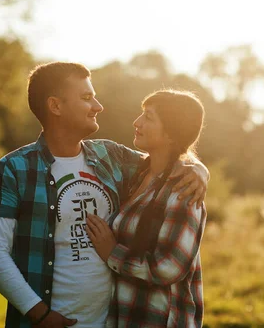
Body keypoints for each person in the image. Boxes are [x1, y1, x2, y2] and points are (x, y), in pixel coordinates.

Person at [0, 62, 209, 328]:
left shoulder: (110, 157)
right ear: (55, 106)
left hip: (112, 320)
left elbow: (166, 159)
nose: (98, 106)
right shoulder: (11, 171)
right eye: (87, 98)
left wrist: (199, 170)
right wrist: (39, 315)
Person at [86, 90, 207, 328]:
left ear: (172, 134)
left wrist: (112, 253)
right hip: (127, 315)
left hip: (160, 319)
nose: (137, 122)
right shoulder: (137, 172)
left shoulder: (183, 191)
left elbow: (169, 267)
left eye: (148, 117)